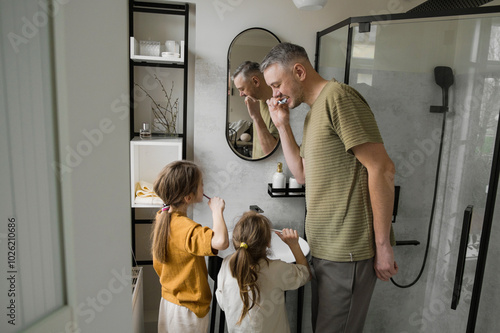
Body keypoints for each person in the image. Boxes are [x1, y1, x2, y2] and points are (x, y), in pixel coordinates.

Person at [260, 43, 398, 332]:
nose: (274, 95)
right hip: (324, 250)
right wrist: (282, 125)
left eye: (276, 85)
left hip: (347, 251)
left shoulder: (339, 98)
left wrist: (383, 246)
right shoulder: (313, 114)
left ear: (299, 71)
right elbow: (302, 175)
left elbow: (382, 169)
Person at [151, 160, 229, 333]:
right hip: (187, 309)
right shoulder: (186, 228)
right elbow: (221, 242)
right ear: (188, 197)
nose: (204, 186)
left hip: (169, 301)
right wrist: (217, 210)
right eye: (201, 184)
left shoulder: (162, 217)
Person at [216, 211, 311, 332]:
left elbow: (223, 303)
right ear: (268, 242)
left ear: (235, 239)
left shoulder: (226, 264)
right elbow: (306, 274)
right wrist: (294, 245)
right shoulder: (277, 269)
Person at [232, 61, 279, 158]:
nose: (241, 94)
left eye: (242, 89)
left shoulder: (279, 106)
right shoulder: (258, 102)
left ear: (255, 81)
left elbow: (271, 151)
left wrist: (256, 117)